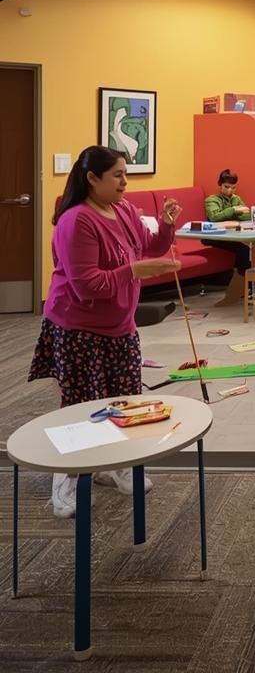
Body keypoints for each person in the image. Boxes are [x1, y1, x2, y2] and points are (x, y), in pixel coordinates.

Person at [30, 146, 183, 518]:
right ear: (92, 178)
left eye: (125, 174)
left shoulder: (123, 209)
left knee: (124, 401)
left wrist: (166, 224)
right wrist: (134, 271)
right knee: (82, 407)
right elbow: (87, 285)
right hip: (78, 328)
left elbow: (149, 245)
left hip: (120, 326)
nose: (125, 182)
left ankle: (114, 465)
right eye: (117, 175)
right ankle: (66, 481)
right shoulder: (76, 221)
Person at [204, 168, 255, 275]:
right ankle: (245, 279)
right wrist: (234, 210)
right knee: (243, 249)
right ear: (220, 185)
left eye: (233, 188)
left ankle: (241, 278)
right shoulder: (211, 200)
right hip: (212, 236)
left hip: (231, 235)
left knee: (249, 248)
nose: (230, 190)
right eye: (226, 187)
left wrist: (241, 213)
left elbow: (247, 215)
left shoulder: (236, 199)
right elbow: (214, 217)